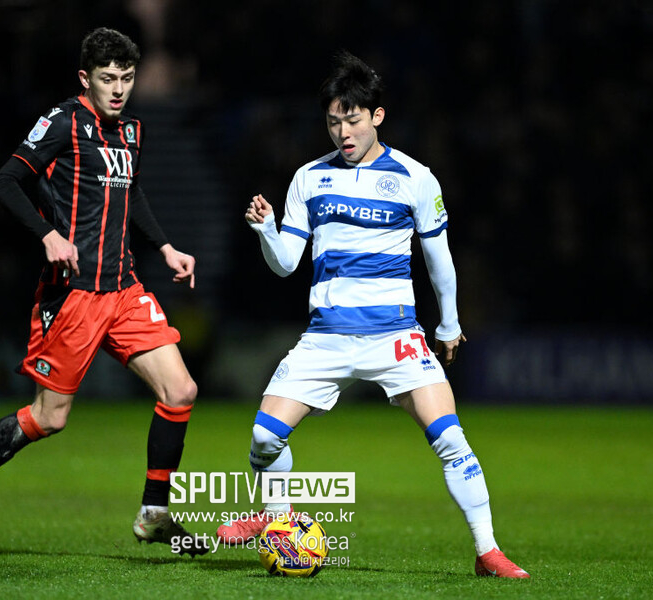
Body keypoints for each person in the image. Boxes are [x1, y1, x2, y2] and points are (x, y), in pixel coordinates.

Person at [216, 52, 530, 578]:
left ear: (377, 115)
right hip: (326, 340)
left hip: (395, 339)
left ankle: (487, 551)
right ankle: (276, 519)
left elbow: (439, 259)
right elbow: (287, 264)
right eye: (334, 121)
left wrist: (448, 325)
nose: (343, 131)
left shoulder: (414, 177)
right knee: (265, 438)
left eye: (353, 118)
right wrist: (268, 231)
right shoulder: (308, 179)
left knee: (451, 439)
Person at [0, 28, 207, 556]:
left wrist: (166, 247)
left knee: (181, 391)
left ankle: (153, 513)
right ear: (86, 78)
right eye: (108, 79)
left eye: (126, 78)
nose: (119, 89)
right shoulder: (62, 123)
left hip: (124, 288)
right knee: (50, 417)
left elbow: (133, 192)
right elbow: (6, 181)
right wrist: (48, 234)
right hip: (73, 294)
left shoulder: (131, 131)